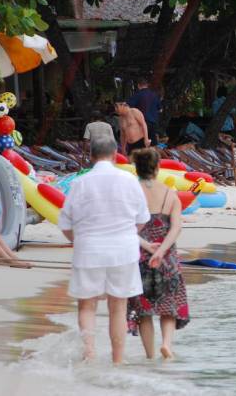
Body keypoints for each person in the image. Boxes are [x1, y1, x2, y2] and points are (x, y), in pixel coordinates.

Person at [59, 136, 150, 364]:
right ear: (115, 154)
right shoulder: (129, 180)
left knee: (87, 305)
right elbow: (142, 219)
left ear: (91, 156)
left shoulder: (81, 182)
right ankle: (117, 359)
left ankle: (89, 353)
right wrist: (127, 234)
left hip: (89, 249)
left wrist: (78, 241)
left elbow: (65, 223)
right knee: (118, 307)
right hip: (124, 250)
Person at [128, 148, 189, 360]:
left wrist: (147, 247)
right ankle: (166, 344)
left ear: (137, 168)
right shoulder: (170, 194)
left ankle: (150, 356)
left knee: (144, 311)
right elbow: (176, 228)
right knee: (168, 306)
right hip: (167, 257)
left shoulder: (132, 192)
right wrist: (161, 251)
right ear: (157, 167)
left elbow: (126, 227)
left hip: (140, 257)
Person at [128, 76, 161, 145]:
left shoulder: (137, 95)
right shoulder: (154, 95)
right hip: (153, 123)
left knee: (140, 144)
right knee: (153, 144)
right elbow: (160, 109)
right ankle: (153, 155)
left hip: (141, 124)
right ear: (147, 85)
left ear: (138, 85)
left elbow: (128, 108)